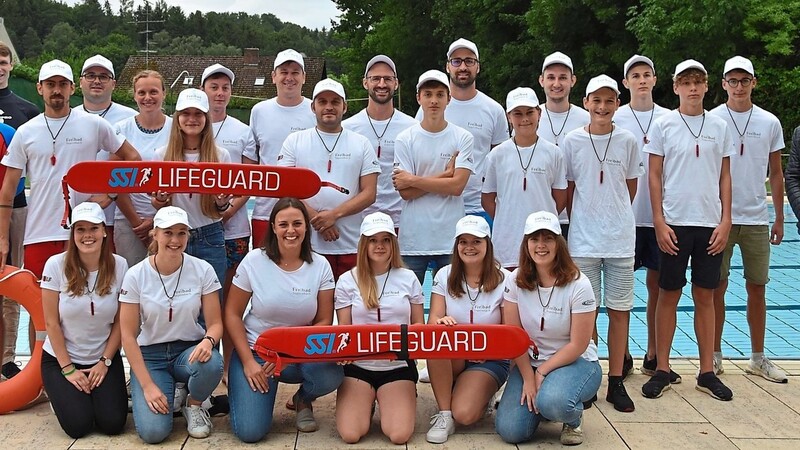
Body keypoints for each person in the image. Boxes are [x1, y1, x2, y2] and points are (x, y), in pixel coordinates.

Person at [641, 60, 734, 401]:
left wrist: (726, 220)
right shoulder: (664, 125)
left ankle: (706, 371)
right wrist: (659, 221)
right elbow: (654, 175)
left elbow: (725, 176)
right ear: (676, 87)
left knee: (705, 296)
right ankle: (662, 368)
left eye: (698, 82)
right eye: (686, 82)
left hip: (709, 223)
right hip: (675, 223)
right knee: (669, 294)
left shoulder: (719, 126)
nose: (693, 88)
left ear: (707, 86)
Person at [0, 59, 140, 280]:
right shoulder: (26, 132)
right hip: (39, 234)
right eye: (50, 84)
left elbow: (132, 158)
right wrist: (3, 239)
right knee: (41, 309)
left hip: (85, 232)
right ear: (40, 88)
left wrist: (110, 193)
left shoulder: (93, 124)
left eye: (63, 84)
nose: (56, 90)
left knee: (88, 306)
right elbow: (7, 190)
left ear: (72, 88)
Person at [225, 197, 342, 442]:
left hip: (300, 354)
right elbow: (233, 314)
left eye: (297, 223)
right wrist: (248, 361)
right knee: (250, 432)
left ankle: (303, 399)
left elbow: (323, 321)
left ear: (306, 227)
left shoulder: (320, 266)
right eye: (284, 224)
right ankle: (259, 392)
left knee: (330, 374)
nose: (291, 230)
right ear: (273, 227)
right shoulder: (254, 261)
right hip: (258, 352)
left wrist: (291, 355)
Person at [563, 75, 642, 412]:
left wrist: (614, 216)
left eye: (609, 101)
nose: (602, 107)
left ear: (617, 105)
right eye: (597, 100)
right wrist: (584, 221)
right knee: (587, 313)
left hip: (620, 240)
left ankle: (617, 380)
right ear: (586, 103)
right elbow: (568, 191)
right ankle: (590, 376)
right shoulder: (571, 141)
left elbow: (630, 187)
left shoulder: (627, 140)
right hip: (583, 241)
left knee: (620, 310)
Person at [709, 56, 787, 382]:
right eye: (733, 81)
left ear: (754, 83)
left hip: (756, 217)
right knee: (716, 288)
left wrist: (779, 217)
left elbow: (777, 174)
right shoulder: (711, 120)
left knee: (758, 288)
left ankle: (758, 356)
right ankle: (713, 357)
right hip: (718, 217)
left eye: (744, 81)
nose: (739, 87)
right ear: (724, 84)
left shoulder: (769, 122)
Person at [119, 206, 223, 443]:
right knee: (154, 433)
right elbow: (127, 335)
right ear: (155, 234)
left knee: (213, 362)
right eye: (168, 233)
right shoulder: (136, 275)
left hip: (187, 351)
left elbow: (216, 323)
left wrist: (208, 341)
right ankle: (161, 389)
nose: (175, 240)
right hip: (151, 357)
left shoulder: (202, 269)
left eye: (181, 233)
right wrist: (147, 386)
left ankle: (193, 405)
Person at [495, 211, 600, 446]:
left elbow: (578, 344)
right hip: (530, 362)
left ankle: (572, 418)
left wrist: (542, 372)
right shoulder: (515, 280)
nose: (541, 246)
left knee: (555, 403)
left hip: (575, 362)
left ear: (558, 243)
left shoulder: (578, 284)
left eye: (548, 239)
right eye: (534, 239)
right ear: (526, 244)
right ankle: (543, 405)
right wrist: (528, 377)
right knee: (511, 431)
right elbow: (515, 337)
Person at [614, 55, 679, 383]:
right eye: (635, 76)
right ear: (625, 83)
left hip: (659, 218)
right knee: (623, 289)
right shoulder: (615, 116)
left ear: (655, 80)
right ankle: (622, 354)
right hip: (625, 216)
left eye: (646, 74)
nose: (641, 80)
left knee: (658, 286)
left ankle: (654, 354)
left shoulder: (669, 118)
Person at [40, 202, 128, 438]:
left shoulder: (119, 265)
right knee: (79, 427)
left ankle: (89, 396)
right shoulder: (56, 265)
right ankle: (61, 395)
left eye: (93, 228)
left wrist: (105, 361)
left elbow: (121, 322)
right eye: (80, 229)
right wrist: (68, 369)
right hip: (62, 360)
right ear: (73, 233)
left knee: (112, 424)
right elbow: (51, 323)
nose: (87, 235)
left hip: (103, 358)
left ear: (104, 231)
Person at [334, 212, 423, 444]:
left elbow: (418, 328)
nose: (380, 245)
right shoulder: (347, 280)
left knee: (398, 435)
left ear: (393, 244)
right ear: (364, 243)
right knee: (351, 434)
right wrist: (343, 355)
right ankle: (366, 401)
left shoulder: (409, 278)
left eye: (385, 239)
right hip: (359, 367)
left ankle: (393, 396)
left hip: (397, 366)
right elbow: (345, 330)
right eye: (373, 240)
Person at [277, 78, 379, 280]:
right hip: (307, 243)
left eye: (335, 102)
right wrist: (319, 220)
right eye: (322, 102)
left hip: (350, 242)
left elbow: (369, 193)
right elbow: (285, 188)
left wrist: (334, 215)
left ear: (345, 106)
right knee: (311, 306)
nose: (329, 107)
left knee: (349, 307)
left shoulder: (361, 143)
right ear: (313, 107)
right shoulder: (295, 141)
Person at [426, 215, 509, 443]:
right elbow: (433, 318)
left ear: (487, 245)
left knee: (464, 414)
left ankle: (481, 394)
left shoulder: (506, 280)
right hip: (455, 355)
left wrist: (487, 350)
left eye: (476, 241)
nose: (469, 247)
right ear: (456, 245)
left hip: (490, 359)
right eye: (463, 241)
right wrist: (440, 323)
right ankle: (444, 414)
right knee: (436, 340)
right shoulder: (444, 274)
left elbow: (509, 330)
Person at [393, 70, 474, 284]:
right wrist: (444, 176)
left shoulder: (463, 137)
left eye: (439, 94)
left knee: (453, 305)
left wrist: (412, 179)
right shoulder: (404, 139)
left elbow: (457, 186)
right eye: (428, 94)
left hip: (450, 239)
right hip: (413, 240)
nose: (434, 101)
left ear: (449, 98)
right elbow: (405, 193)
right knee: (409, 307)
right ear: (418, 98)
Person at [416, 38, 507, 223]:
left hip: (480, 208)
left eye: (469, 61)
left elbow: (502, 161)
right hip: (438, 203)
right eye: (456, 61)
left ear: (478, 67)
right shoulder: (430, 107)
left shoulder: (494, 109)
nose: (463, 67)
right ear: (448, 67)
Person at [151, 88, 231, 297]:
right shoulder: (161, 154)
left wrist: (222, 202)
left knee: (212, 300)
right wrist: (160, 199)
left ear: (206, 118)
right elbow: (157, 204)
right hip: (173, 234)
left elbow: (221, 209)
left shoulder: (221, 155)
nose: (192, 119)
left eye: (198, 114)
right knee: (171, 297)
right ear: (177, 118)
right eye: (186, 113)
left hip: (210, 234)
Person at [482, 87, 567, 269]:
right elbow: (487, 198)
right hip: (507, 241)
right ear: (509, 117)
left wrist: (545, 218)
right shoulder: (497, 155)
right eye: (518, 114)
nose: (525, 119)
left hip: (543, 240)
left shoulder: (553, 153)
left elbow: (560, 197)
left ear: (539, 113)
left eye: (530, 112)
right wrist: (508, 217)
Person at [246, 49, 316, 247]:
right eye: (284, 72)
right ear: (273, 77)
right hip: (265, 210)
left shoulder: (315, 111)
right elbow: (252, 161)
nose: (289, 77)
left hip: (306, 211)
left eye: (295, 72)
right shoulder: (259, 111)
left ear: (304, 77)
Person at [0, 41, 39, 379]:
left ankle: (8, 359)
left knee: (12, 281)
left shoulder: (26, 111)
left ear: (11, 65)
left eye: (3, 61)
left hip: (16, 208)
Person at [343, 55, 417, 226]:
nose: (382, 84)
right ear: (365, 83)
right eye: (375, 78)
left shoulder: (412, 127)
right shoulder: (347, 128)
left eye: (388, 79)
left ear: (396, 83)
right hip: (359, 222)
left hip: (401, 221)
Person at [77, 54, 138, 253]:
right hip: (79, 216)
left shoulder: (131, 118)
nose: (96, 80)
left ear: (113, 83)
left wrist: (111, 193)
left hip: (120, 217)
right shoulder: (70, 117)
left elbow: (136, 160)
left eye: (103, 76)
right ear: (80, 82)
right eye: (90, 75)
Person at [113, 70, 172, 267]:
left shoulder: (177, 130)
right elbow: (114, 180)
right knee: (131, 281)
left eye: (154, 92)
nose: (148, 98)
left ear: (164, 93)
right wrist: (137, 223)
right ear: (134, 95)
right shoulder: (121, 130)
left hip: (169, 221)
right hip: (127, 220)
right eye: (142, 93)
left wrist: (157, 219)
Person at [537, 52, 590, 237]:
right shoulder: (529, 117)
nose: (556, 84)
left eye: (563, 78)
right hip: (538, 215)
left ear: (573, 80)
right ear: (541, 80)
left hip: (577, 216)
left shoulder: (587, 119)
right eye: (551, 77)